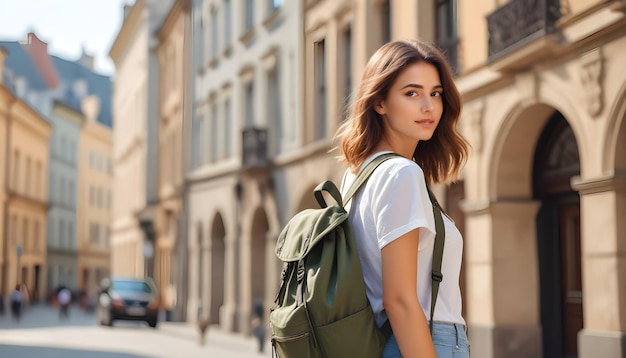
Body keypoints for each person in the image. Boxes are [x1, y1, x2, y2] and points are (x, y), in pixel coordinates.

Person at [335, 39, 470, 358]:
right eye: (412, 93)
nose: (429, 106)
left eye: (435, 93)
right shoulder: (401, 174)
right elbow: (399, 299)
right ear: (379, 102)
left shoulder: (357, 176)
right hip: (422, 339)